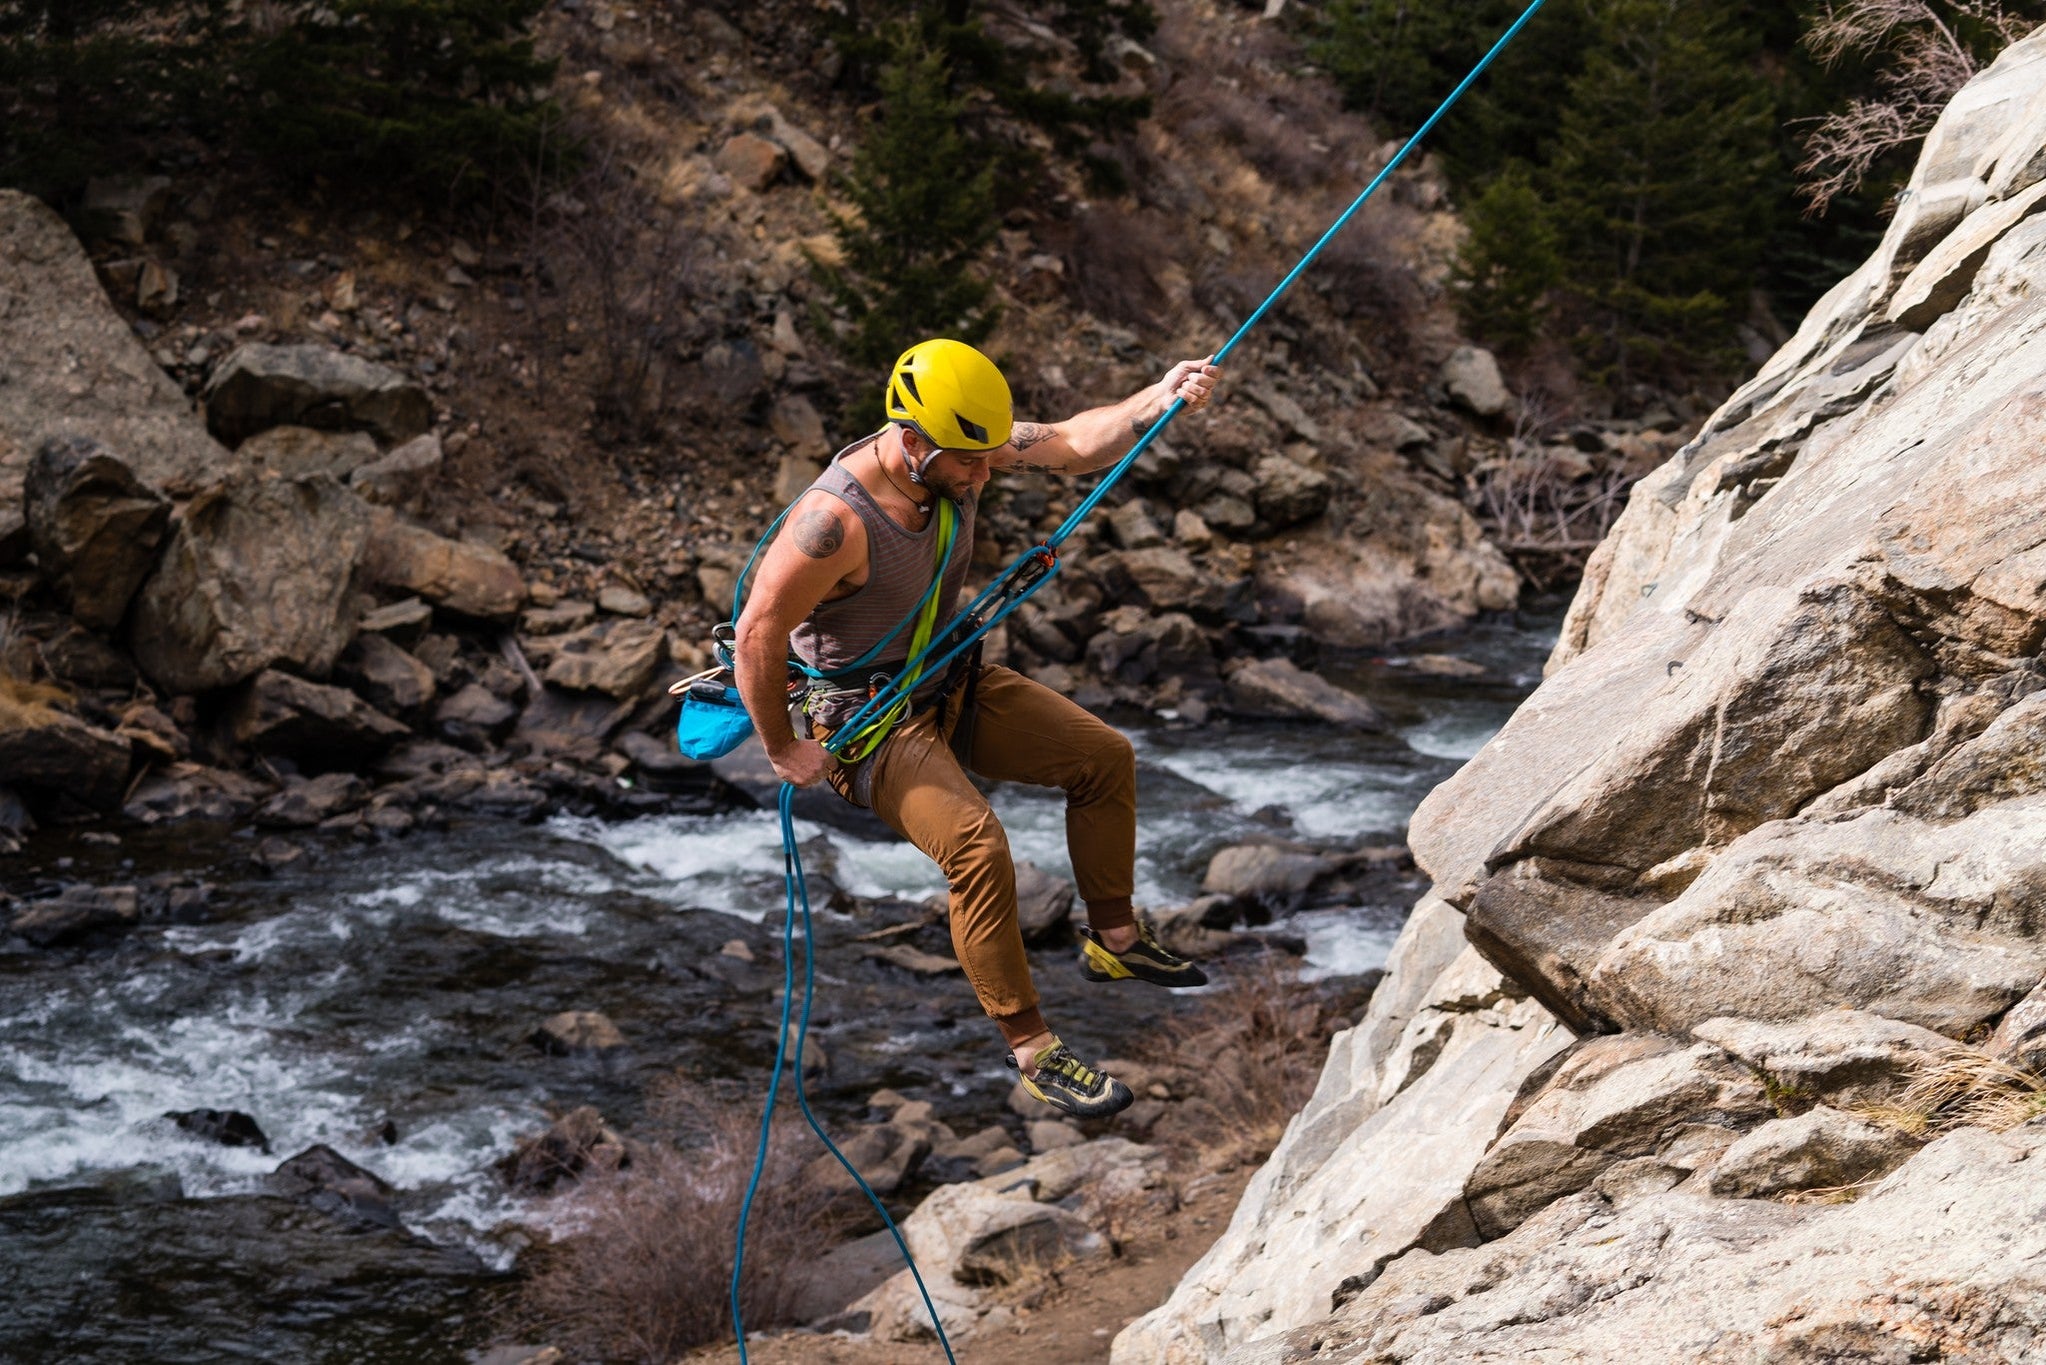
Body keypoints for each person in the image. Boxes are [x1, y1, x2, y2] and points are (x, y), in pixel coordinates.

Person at [733, 338, 1222, 1117]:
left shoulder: (958, 443)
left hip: (948, 680)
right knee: (976, 846)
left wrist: (1154, 398)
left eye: (988, 456)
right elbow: (759, 630)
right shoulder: (834, 521)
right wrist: (782, 747)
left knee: (1103, 757)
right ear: (914, 441)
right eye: (969, 461)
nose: (984, 474)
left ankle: (1116, 942)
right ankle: (1034, 1049)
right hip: (866, 724)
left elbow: (1066, 443)